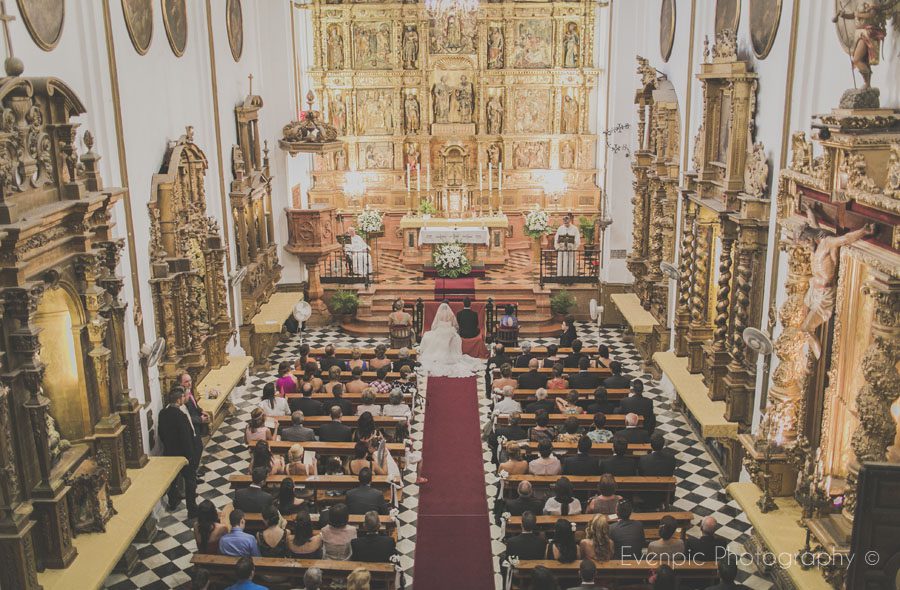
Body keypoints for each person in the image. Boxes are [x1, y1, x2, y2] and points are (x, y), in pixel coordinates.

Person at [158, 388, 200, 517]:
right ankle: (192, 509)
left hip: (170, 452)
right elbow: (186, 437)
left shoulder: (162, 413)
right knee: (190, 481)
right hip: (183, 454)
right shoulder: (180, 416)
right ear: (178, 400)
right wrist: (191, 455)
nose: (183, 399)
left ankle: (173, 501)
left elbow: (161, 433)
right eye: (182, 397)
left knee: (173, 479)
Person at [417, 302, 481, 377]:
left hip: (440, 330)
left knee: (428, 336)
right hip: (449, 331)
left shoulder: (439, 314)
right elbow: (455, 325)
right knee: (455, 339)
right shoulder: (450, 314)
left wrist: (437, 330)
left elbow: (434, 326)